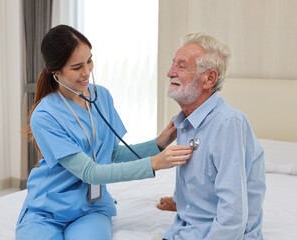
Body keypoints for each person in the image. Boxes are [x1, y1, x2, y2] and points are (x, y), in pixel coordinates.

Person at [16, 24, 192, 240]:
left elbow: (110, 155)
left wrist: (158, 144)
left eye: (89, 61)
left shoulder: (102, 97)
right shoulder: (44, 116)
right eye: (76, 67)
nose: (87, 72)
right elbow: (90, 172)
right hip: (47, 210)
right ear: (56, 71)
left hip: (91, 208)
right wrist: (154, 163)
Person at [157, 32, 266, 239]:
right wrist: (178, 201)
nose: (170, 72)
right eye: (173, 64)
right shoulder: (185, 122)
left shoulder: (228, 123)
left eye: (181, 66)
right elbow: (200, 177)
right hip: (185, 229)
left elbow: (233, 215)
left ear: (209, 79)